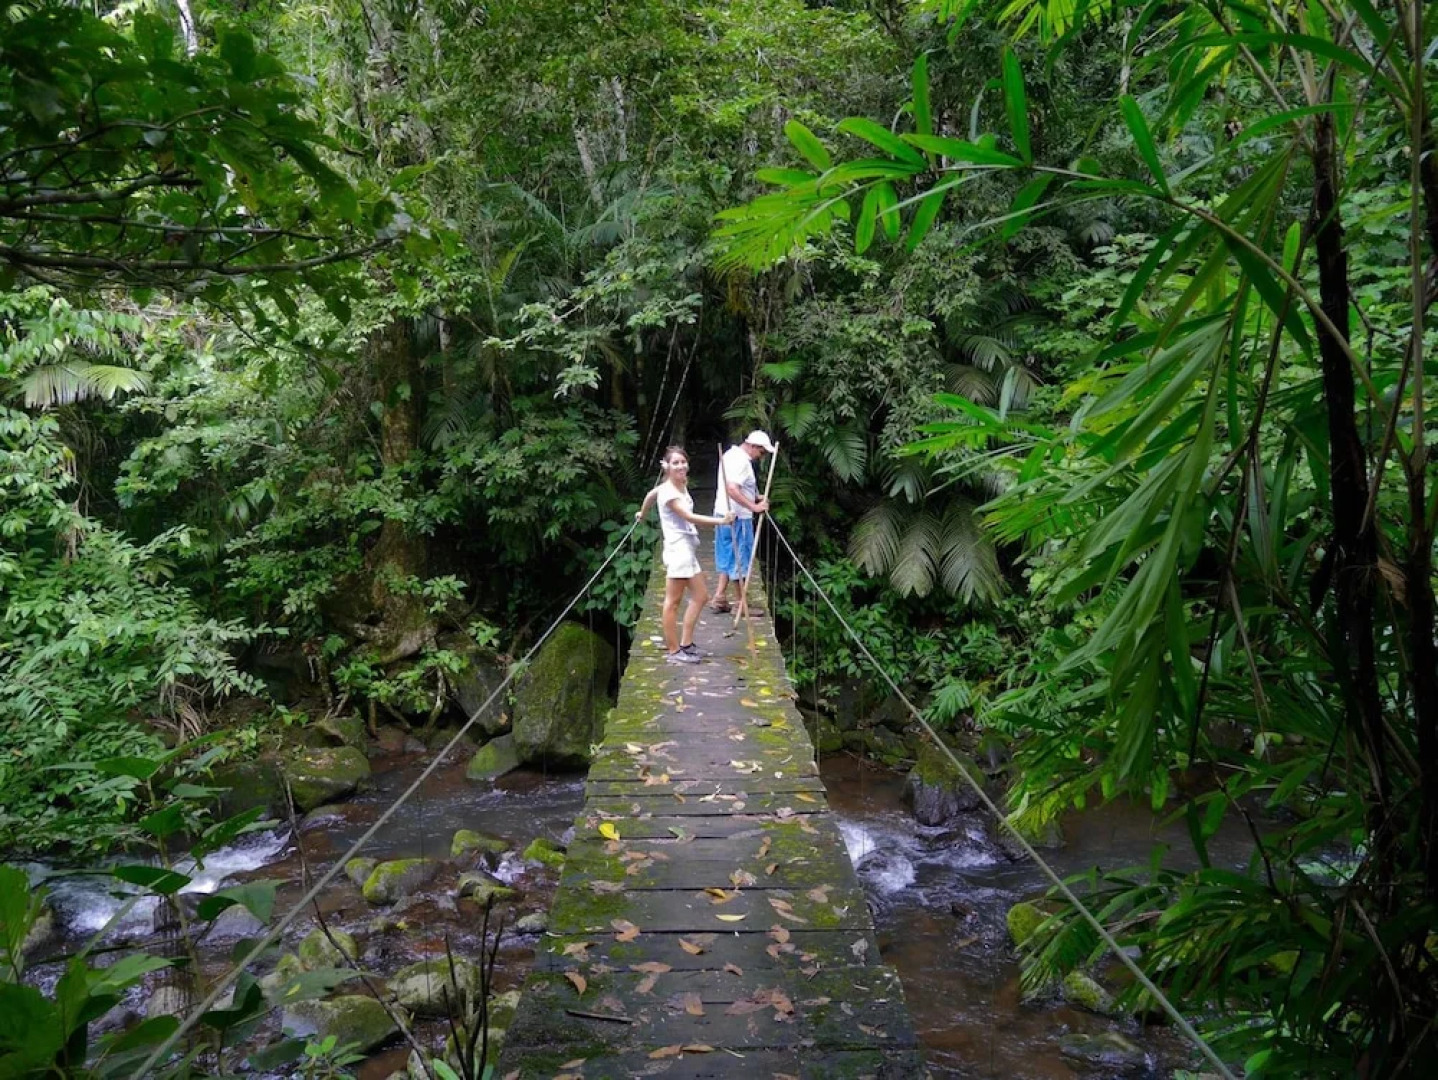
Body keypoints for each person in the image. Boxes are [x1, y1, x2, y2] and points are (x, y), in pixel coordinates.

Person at [636, 446, 734, 664]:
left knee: (701, 596)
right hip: (678, 550)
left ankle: (686, 644)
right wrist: (721, 521)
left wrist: (642, 513)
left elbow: (650, 494)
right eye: (675, 463)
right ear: (667, 466)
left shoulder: (673, 485)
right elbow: (688, 517)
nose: (680, 466)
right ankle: (673, 651)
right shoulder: (670, 493)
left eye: (683, 462)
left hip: (687, 550)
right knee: (672, 602)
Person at [711, 429, 776, 613]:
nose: (761, 457)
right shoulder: (742, 463)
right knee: (741, 559)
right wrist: (753, 507)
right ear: (753, 446)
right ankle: (741, 605)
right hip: (739, 517)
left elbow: (736, 487)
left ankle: (720, 597)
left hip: (723, 514)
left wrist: (756, 497)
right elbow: (732, 488)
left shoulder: (730, 455)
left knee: (728, 555)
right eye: (761, 452)